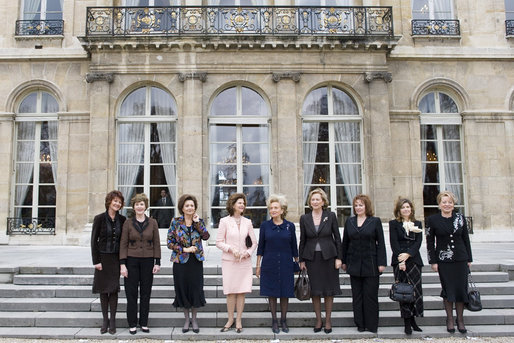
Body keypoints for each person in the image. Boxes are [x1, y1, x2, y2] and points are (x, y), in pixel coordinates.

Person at [426, 190, 472, 334]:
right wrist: (433, 261)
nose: (447, 204)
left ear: (454, 204)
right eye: (444, 202)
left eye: (450, 202)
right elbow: (429, 243)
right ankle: (450, 319)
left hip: (460, 258)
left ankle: (460, 320)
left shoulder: (460, 218)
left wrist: (469, 258)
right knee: (448, 289)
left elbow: (466, 239)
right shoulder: (432, 220)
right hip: (443, 260)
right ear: (439, 204)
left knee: (460, 289)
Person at [299, 188, 342, 334]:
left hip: (329, 258)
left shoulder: (330, 216)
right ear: (310, 202)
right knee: (315, 291)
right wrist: (301, 260)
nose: (315, 202)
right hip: (311, 259)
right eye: (313, 199)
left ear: (323, 201)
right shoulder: (304, 218)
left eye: (318, 199)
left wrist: (339, 258)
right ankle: (318, 320)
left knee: (329, 291)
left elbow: (337, 238)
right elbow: (302, 240)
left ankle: (328, 321)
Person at [341, 194, 386, 333]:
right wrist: (343, 261)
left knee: (370, 295)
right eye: (356, 205)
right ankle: (360, 323)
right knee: (357, 295)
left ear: (366, 206)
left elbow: (381, 243)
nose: (358, 208)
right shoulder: (350, 222)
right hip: (354, 262)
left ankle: (371, 324)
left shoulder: (375, 221)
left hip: (371, 263)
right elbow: (345, 243)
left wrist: (382, 262)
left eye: (361, 205)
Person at [256, 194, 299, 334]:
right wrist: (258, 266)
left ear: (282, 210)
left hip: (286, 263)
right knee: (272, 293)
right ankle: (274, 320)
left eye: (276, 208)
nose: (273, 210)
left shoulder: (290, 226)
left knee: (286, 292)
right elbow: (260, 247)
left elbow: (294, 247)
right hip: (269, 263)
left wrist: (297, 264)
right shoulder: (265, 226)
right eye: (271, 208)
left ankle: (284, 320)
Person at [167, 194, 210, 334]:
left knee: (195, 289)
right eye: (187, 206)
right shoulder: (175, 222)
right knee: (183, 289)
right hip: (180, 261)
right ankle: (186, 319)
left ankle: (195, 319)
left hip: (195, 261)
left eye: (192, 205)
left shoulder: (199, 221)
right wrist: (184, 249)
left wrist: (198, 223)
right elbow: (169, 242)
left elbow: (206, 236)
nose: (190, 208)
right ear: (182, 208)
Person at [120, 193, 161, 335]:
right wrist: (122, 264)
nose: (139, 206)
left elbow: (156, 242)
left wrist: (157, 262)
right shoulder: (127, 223)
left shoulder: (153, 223)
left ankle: (143, 323)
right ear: (133, 206)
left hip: (148, 261)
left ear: (145, 206)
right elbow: (123, 244)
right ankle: (132, 323)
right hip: (131, 260)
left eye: (142, 204)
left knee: (145, 293)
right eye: (137, 204)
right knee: (131, 293)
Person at [216, 193, 257, 333]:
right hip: (229, 261)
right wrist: (231, 249)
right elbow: (219, 242)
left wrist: (248, 253)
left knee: (241, 292)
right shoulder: (224, 221)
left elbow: (254, 242)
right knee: (230, 292)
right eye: (240, 203)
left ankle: (238, 319)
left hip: (244, 262)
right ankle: (230, 319)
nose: (242, 205)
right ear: (233, 205)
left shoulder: (248, 222)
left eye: (243, 203)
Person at [91, 190, 126, 334]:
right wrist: (96, 261)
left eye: (119, 202)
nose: (117, 204)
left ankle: (113, 320)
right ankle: (105, 320)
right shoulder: (99, 218)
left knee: (113, 290)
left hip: (115, 259)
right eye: (115, 201)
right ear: (109, 202)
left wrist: (123, 261)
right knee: (103, 290)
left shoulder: (123, 220)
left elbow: (123, 242)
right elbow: (94, 241)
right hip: (102, 259)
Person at [389, 197, 424, 335]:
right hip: (399, 261)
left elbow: (418, 242)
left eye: (408, 207)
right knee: (403, 292)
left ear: (411, 209)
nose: (406, 209)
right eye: (403, 207)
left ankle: (414, 319)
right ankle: (407, 322)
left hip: (414, 260)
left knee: (415, 291)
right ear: (399, 210)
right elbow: (394, 243)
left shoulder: (418, 223)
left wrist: (408, 255)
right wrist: (401, 260)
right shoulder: (394, 224)